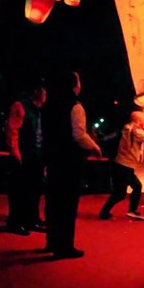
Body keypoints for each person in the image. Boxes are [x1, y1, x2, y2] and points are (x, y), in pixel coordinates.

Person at [43, 72, 101, 259]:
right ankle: (64, 246)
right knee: (67, 205)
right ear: (74, 85)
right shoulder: (75, 106)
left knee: (53, 202)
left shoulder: (50, 104)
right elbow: (78, 135)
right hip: (69, 161)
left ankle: (51, 241)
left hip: (53, 158)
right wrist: (95, 146)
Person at [99, 110, 144, 220]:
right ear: (138, 120)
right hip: (125, 165)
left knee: (119, 193)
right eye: (143, 119)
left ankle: (104, 212)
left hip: (119, 163)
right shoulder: (136, 132)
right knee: (136, 186)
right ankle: (132, 210)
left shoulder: (127, 128)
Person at [5, 84, 47, 235]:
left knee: (34, 190)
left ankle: (31, 219)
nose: (46, 93)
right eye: (44, 90)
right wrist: (16, 152)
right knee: (19, 190)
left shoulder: (40, 110)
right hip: (24, 154)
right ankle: (15, 222)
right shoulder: (21, 106)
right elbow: (12, 130)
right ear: (36, 90)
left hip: (36, 155)